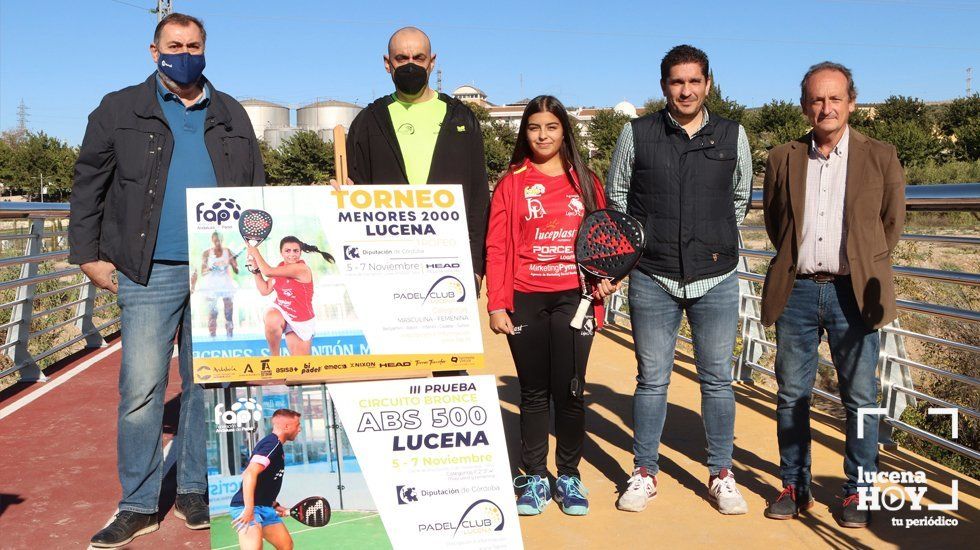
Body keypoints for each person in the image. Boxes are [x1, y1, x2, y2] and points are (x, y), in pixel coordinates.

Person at [68, 13, 264, 548]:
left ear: (206, 48)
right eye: (174, 45)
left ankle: (195, 490)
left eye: (194, 45)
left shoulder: (230, 113)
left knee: (207, 384)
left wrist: (255, 254)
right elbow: (88, 182)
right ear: (154, 52)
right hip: (147, 268)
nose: (185, 53)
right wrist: (87, 253)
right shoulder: (119, 109)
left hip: (217, 271)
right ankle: (137, 503)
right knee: (141, 388)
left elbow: (255, 188)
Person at [604, 44, 752, 515]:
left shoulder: (732, 134)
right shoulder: (637, 133)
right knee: (651, 380)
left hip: (716, 275)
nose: (685, 90)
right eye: (676, 81)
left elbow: (740, 196)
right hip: (653, 275)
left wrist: (709, 238)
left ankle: (721, 473)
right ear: (664, 85)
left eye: (694, 81)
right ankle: (644, 471)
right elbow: (618, 196)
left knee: (717, 381)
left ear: (708, 84)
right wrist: (643, 250)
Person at [761, 62, 905, 528]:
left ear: (852, 102)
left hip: (854, 292)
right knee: (791, 395)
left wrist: (863, 263)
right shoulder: (783, 156)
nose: (826, 107)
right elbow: (775, 220)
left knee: (860, 398)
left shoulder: (880, 155)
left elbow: (890, 223)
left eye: (835, 98)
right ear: (805, 106)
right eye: (817, 99)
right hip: (798, 291)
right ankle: (794, 485)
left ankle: (858, 490)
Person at [485, 95, 605, 516]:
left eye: (551, 127)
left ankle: (569, 477)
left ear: (563, 131)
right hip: (526, 298)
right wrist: (497, 304)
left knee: (571, 392)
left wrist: (604, 281)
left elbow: (603, 239)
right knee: (534, 392)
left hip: (576, 298)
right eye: (534, 127)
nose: (543, 135)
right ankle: (534, 476)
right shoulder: (512, 182)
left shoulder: (586, 181)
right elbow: (496, 247)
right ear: (525, 132)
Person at [339, 26, 490, 290]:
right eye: (402, 59)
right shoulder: (369, 121)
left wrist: (476, 265)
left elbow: (478, 196)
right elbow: (354, 192)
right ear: (388, 64)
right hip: (387, 265)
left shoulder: (461, 118)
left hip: (449, 263)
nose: (411, 65)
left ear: (432, 62)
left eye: (419, 58)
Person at [246, 236, 334, 356]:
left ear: (300, 252)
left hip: (301, 319)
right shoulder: (280, 267)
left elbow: (267, 271)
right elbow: (265, 290)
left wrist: (255, 252)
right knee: (271, 317)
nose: (292, 254)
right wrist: (256, 270)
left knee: (301, 367)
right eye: (287, 251)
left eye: (295, 251)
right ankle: (275, 360)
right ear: (281, 252)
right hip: (282, 311)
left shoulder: (301, 269)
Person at [230, 408, 302, 550]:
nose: (299, 429)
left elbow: (265, 482)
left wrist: (274, 505)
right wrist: (249, 509)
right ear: (286, 426)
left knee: (286, 546)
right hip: (247, 507)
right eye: (298, 425)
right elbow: (249, 473)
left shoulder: (276, 446)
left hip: (265, 507)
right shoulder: (272, 444)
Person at [191, 231, 239, 337]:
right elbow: (203, 272)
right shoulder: (206, 253)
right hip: (211, 286)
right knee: (213, 313)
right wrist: (211, 268)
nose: (217, 242)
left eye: (219, 240)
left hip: (226, 285)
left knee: (228, 312)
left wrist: (234, 262)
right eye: (215, 240)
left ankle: (230, 337)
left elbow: (237, 271)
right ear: (212, 240)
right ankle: (212, 337)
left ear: (222, 240)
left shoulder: (228, 252)